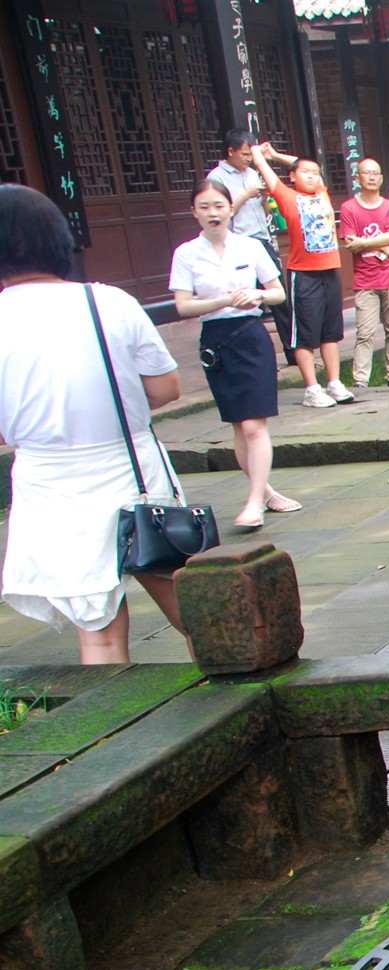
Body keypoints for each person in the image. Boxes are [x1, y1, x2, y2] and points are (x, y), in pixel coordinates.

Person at [0, 186, 190, 663]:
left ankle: (116, 735)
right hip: (131, 471)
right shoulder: (108, 303)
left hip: (50, 483)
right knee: (195, 610)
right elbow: (166, 389)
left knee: (100, 634)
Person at [168, 180, 300, 531]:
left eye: (219, 206)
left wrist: (255, 294)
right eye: (205, 207)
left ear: (230, 208)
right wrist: (223, 301)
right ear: (194, 211)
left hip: (251, 336)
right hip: (217, 340)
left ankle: (255, 501)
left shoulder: (251, 246)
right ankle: (267, 491)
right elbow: (183, 305)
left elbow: (278, 293)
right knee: (240, 426)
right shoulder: (186, 253)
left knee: (256, 424)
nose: (213, 213)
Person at [248, 143, 350, 408]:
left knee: (331, 332)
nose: (311, 176)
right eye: (304, 172)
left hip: (330, 271)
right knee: (305, 333)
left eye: (315, 173)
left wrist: (276, 155)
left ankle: (334, 383)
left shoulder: (322, 193)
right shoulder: (287, 196)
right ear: (292, 176)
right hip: (304, 274)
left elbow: (303, 163)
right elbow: (265, 170)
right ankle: (312, 388)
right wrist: (261, 155)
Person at [207, 129, 297, 362]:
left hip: (262, 240)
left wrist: (265, 198)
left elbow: (264, 209)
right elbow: (221, 213)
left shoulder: (252, 173)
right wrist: (246, 194)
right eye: (245, 154)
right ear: (230, 151)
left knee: (279, 298)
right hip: (236, 243)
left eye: (251, 155)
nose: (248, 159)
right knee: (245, 301)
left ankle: (293, 352)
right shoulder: (216, 178)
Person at [339, 157, 389, 389]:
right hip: (364, 279)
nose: (371, 176)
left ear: (381, 178)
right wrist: (383, 244)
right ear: (357, 177)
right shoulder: (348, 208)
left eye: (375, 173)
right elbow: (350, 244)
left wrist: (365, 242)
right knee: (364, 332)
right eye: (366, 173)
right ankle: (360, 380)